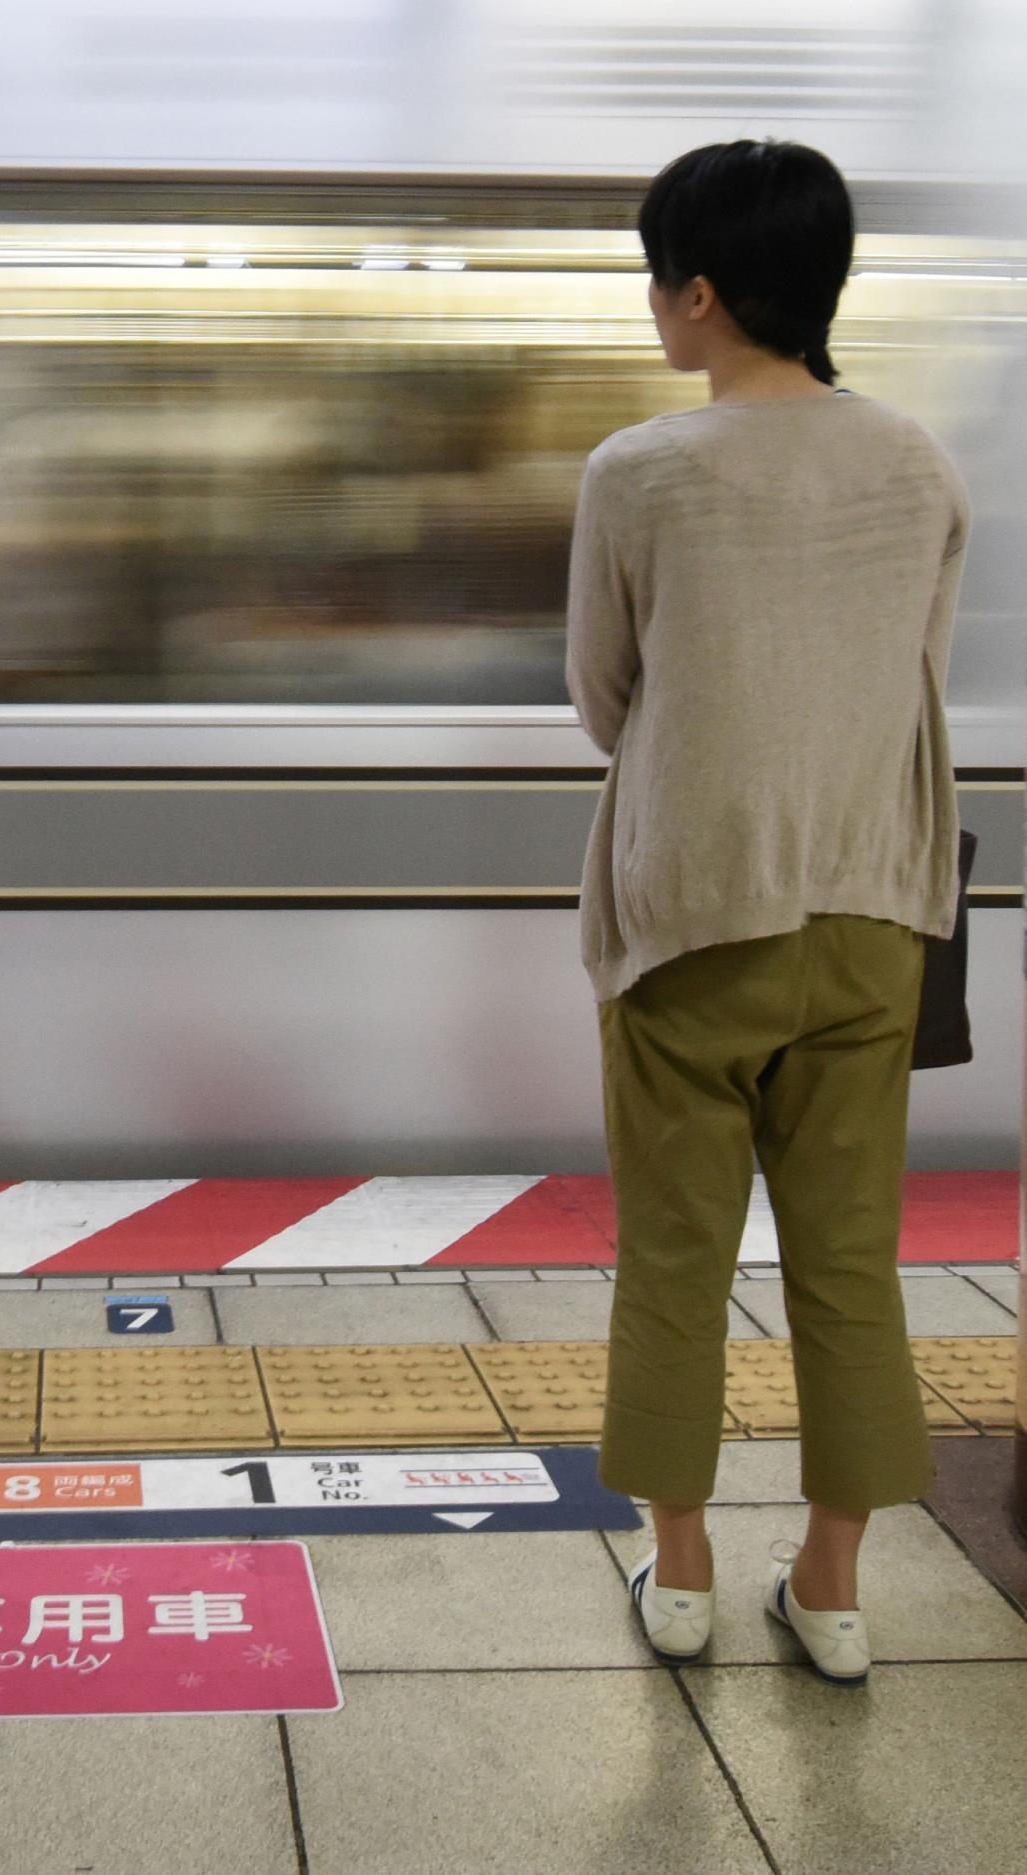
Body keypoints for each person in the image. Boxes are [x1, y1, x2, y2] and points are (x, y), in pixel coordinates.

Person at [568, 140, 967, 1686]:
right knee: (850, 1262)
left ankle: (681, 1575)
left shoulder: (641, 472)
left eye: (661, 274)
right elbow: (911, 682)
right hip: (873, 911)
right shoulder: (922, 465)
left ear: (706, 293)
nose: (658, 304)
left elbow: (608, 702)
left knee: (674, 1255)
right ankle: (837, 1589)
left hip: (692, 918)